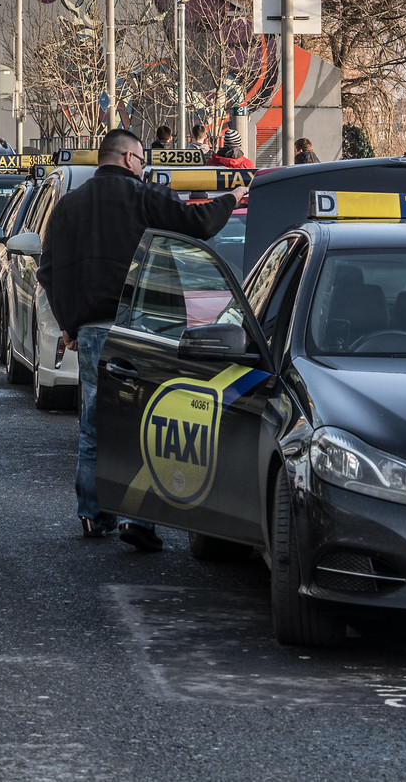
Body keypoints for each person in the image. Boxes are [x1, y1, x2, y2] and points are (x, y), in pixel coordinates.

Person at [40, 127, 239, 552]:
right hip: (143, 331)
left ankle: (93, 515)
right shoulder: (143, 196)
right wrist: (232, 197)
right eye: (143, 160)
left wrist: (70, 324)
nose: (144, 166)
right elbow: (198, 223)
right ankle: (137, 518)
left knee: (96, 423)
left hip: (93, 331)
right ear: (130, 159)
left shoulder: (67, 207)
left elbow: (49, 270)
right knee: (144, 423)